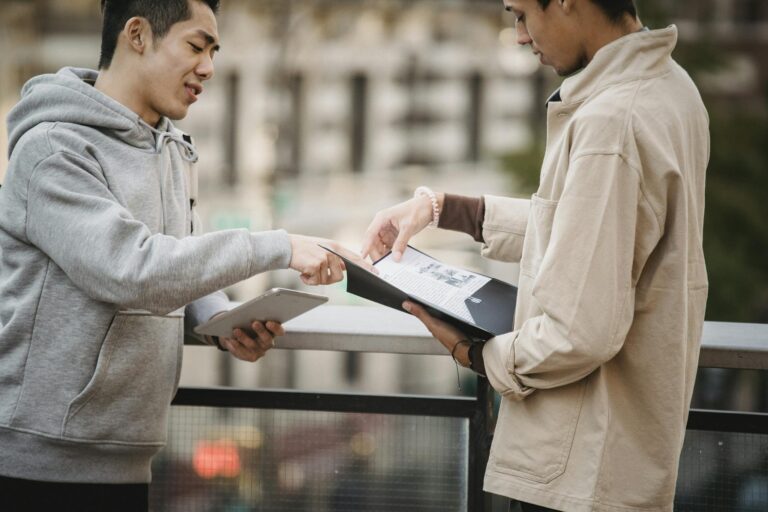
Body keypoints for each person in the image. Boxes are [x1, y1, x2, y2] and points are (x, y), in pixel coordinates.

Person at [0, 0, 369, 510]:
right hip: (36, 462)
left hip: (130, 454)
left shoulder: (171, 149)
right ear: (137, 35)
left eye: (213, 51)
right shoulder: (52, 149)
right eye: (196, 46)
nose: (208, 68)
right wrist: (278, 246)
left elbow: (177, 257)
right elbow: (130, 269)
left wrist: (217, 318)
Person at [362, 0, 709, 511]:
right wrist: (443, 209)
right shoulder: (673, 89)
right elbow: (592, 231)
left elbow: (579, 332)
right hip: (618, 457)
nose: (521, 36)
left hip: (579, 468)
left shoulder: (612, 121)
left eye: (522, 14)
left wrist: (475, 354)